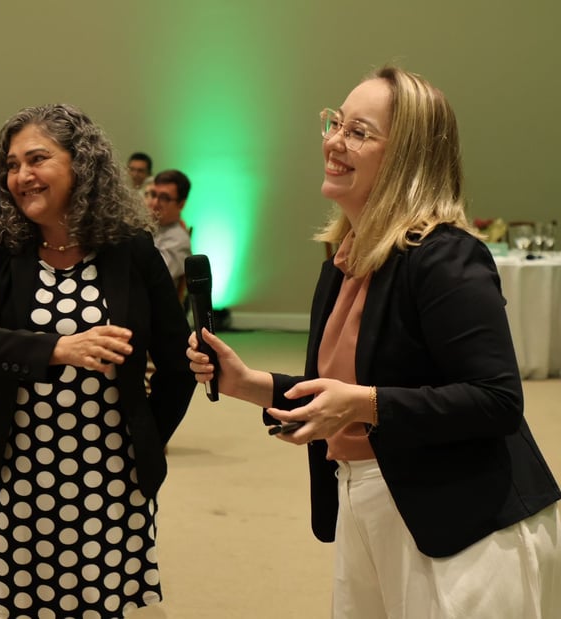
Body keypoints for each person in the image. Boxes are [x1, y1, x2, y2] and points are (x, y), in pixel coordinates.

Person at [186, 66, 561, 618]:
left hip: (464, 520)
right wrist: (248, 384)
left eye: (359, 132)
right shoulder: (345, 261)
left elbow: (497, 399)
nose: (335, 141)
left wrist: (365, 405)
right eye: (336, 123)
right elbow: (345, 391)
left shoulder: (445, 256)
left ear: (408, 157)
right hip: (365, 499)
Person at [0, 103, 195, 618]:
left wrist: (143, 435)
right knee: (16, 601)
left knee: (99, 601)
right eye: (12, 165)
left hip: (110, 474)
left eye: (37, 159)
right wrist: (59, 349)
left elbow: (178, 362)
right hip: (17, 467)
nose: (22, 175)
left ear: (80, 164)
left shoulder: (130, 248)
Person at [145, 169, 193, 289]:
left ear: (181, 204)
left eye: (164, 198)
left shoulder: (179, 240)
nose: (154, 203)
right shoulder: (153, 227)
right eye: (153, 195)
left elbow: (150, 279)